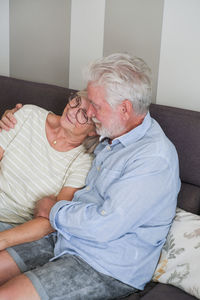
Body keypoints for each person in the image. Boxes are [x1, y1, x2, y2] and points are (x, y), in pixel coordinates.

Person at [0, 53, 180, 300]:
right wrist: (15, 117)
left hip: (103, 263)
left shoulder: (153, 159)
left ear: (124, 108)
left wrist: (54, 210)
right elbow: (56, 128)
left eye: (95, 105)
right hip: (67, 236)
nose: (90, 112)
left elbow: (105, 226)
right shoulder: (112, 133)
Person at [0, 90, 99, 246]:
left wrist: (3, 240)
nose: (72, 111)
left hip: (15, 228)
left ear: (94, 130)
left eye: (84, 115)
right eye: (76, 102)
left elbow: (53, 219)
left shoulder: (83, 162)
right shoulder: (28, 115)